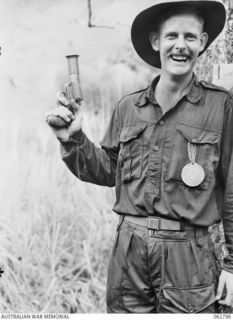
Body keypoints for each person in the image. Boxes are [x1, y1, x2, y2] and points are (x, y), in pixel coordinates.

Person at [46, 0, 233, 313]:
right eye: (172, 36)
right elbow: (108, 170)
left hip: (189, 260)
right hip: (128, 254)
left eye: (190, 37)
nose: (180, 46)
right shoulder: (128, 108)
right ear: (156, 41)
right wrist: (74, 138)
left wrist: (232, 265)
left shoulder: (221, 106)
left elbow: (231, 191)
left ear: (202, 43)